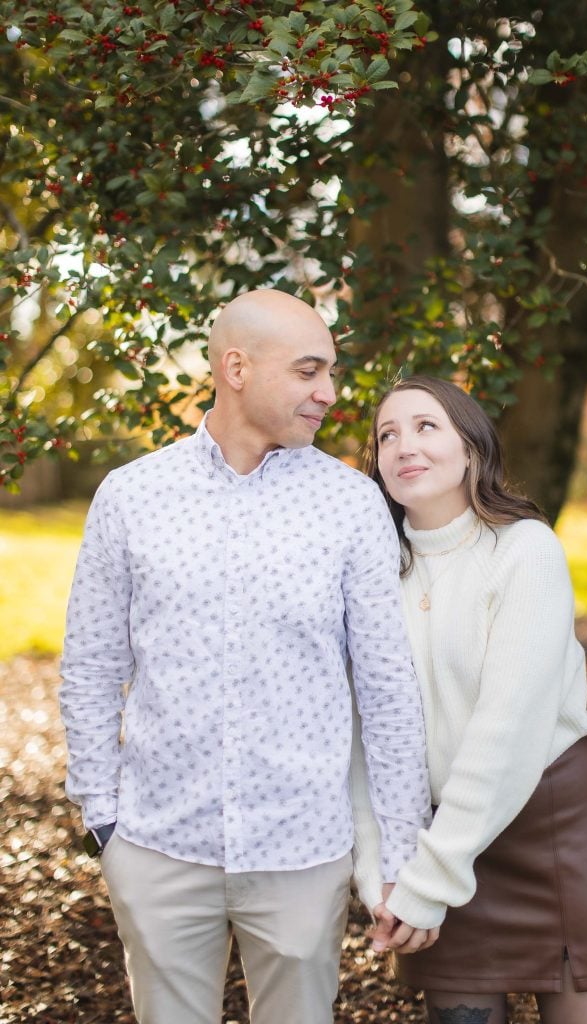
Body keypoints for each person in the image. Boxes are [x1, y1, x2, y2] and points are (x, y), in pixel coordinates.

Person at [59, 289, 433, 1024]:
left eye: (329, 371)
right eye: (307, 371)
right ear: (236, 367)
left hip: (300, 851)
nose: (328, 392)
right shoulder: (132, 496)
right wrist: (101, 813)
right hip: (157, 845)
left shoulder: (350, 503)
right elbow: (92, 663)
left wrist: (399, 856)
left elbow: (388, 691)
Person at [351, 375, 587, 1024]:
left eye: (426, 426)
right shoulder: (370, 574)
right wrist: (385, 876)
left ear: (470, 449)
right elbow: (361, 740)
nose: (402, 444)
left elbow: (505, 734)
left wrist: (428, 882)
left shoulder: (523, 550)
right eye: (386, 435)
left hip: (550, 828)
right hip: (435, 844)